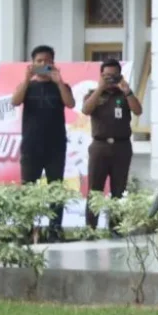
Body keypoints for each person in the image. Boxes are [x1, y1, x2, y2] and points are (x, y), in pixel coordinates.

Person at [11, 45, 75, 239]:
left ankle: (55, 228)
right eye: (39, 61)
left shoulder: (61, 85)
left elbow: (70, 103)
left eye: (47, 61)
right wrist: (26, 79)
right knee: (28, 189)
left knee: (56, 189)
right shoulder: (27, 85)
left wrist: (59, 82)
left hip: (56, 146)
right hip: (31, 146)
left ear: (53, 63)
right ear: (32, 63)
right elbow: (15, 101)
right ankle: (27, 228)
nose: (43, 64)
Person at [82, 58, 142, 230]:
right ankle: (91, 228)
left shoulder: (124, 94)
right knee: (95, 188)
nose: (110, 80)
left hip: (121, 146)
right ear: (101, 76)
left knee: (119, 188)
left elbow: (138, 110)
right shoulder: (93, 93)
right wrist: (100, 88)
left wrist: (127, 91)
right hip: (99, 146)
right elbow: (86, 109)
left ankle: (116, 227)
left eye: (114, 76)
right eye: (107, 76)